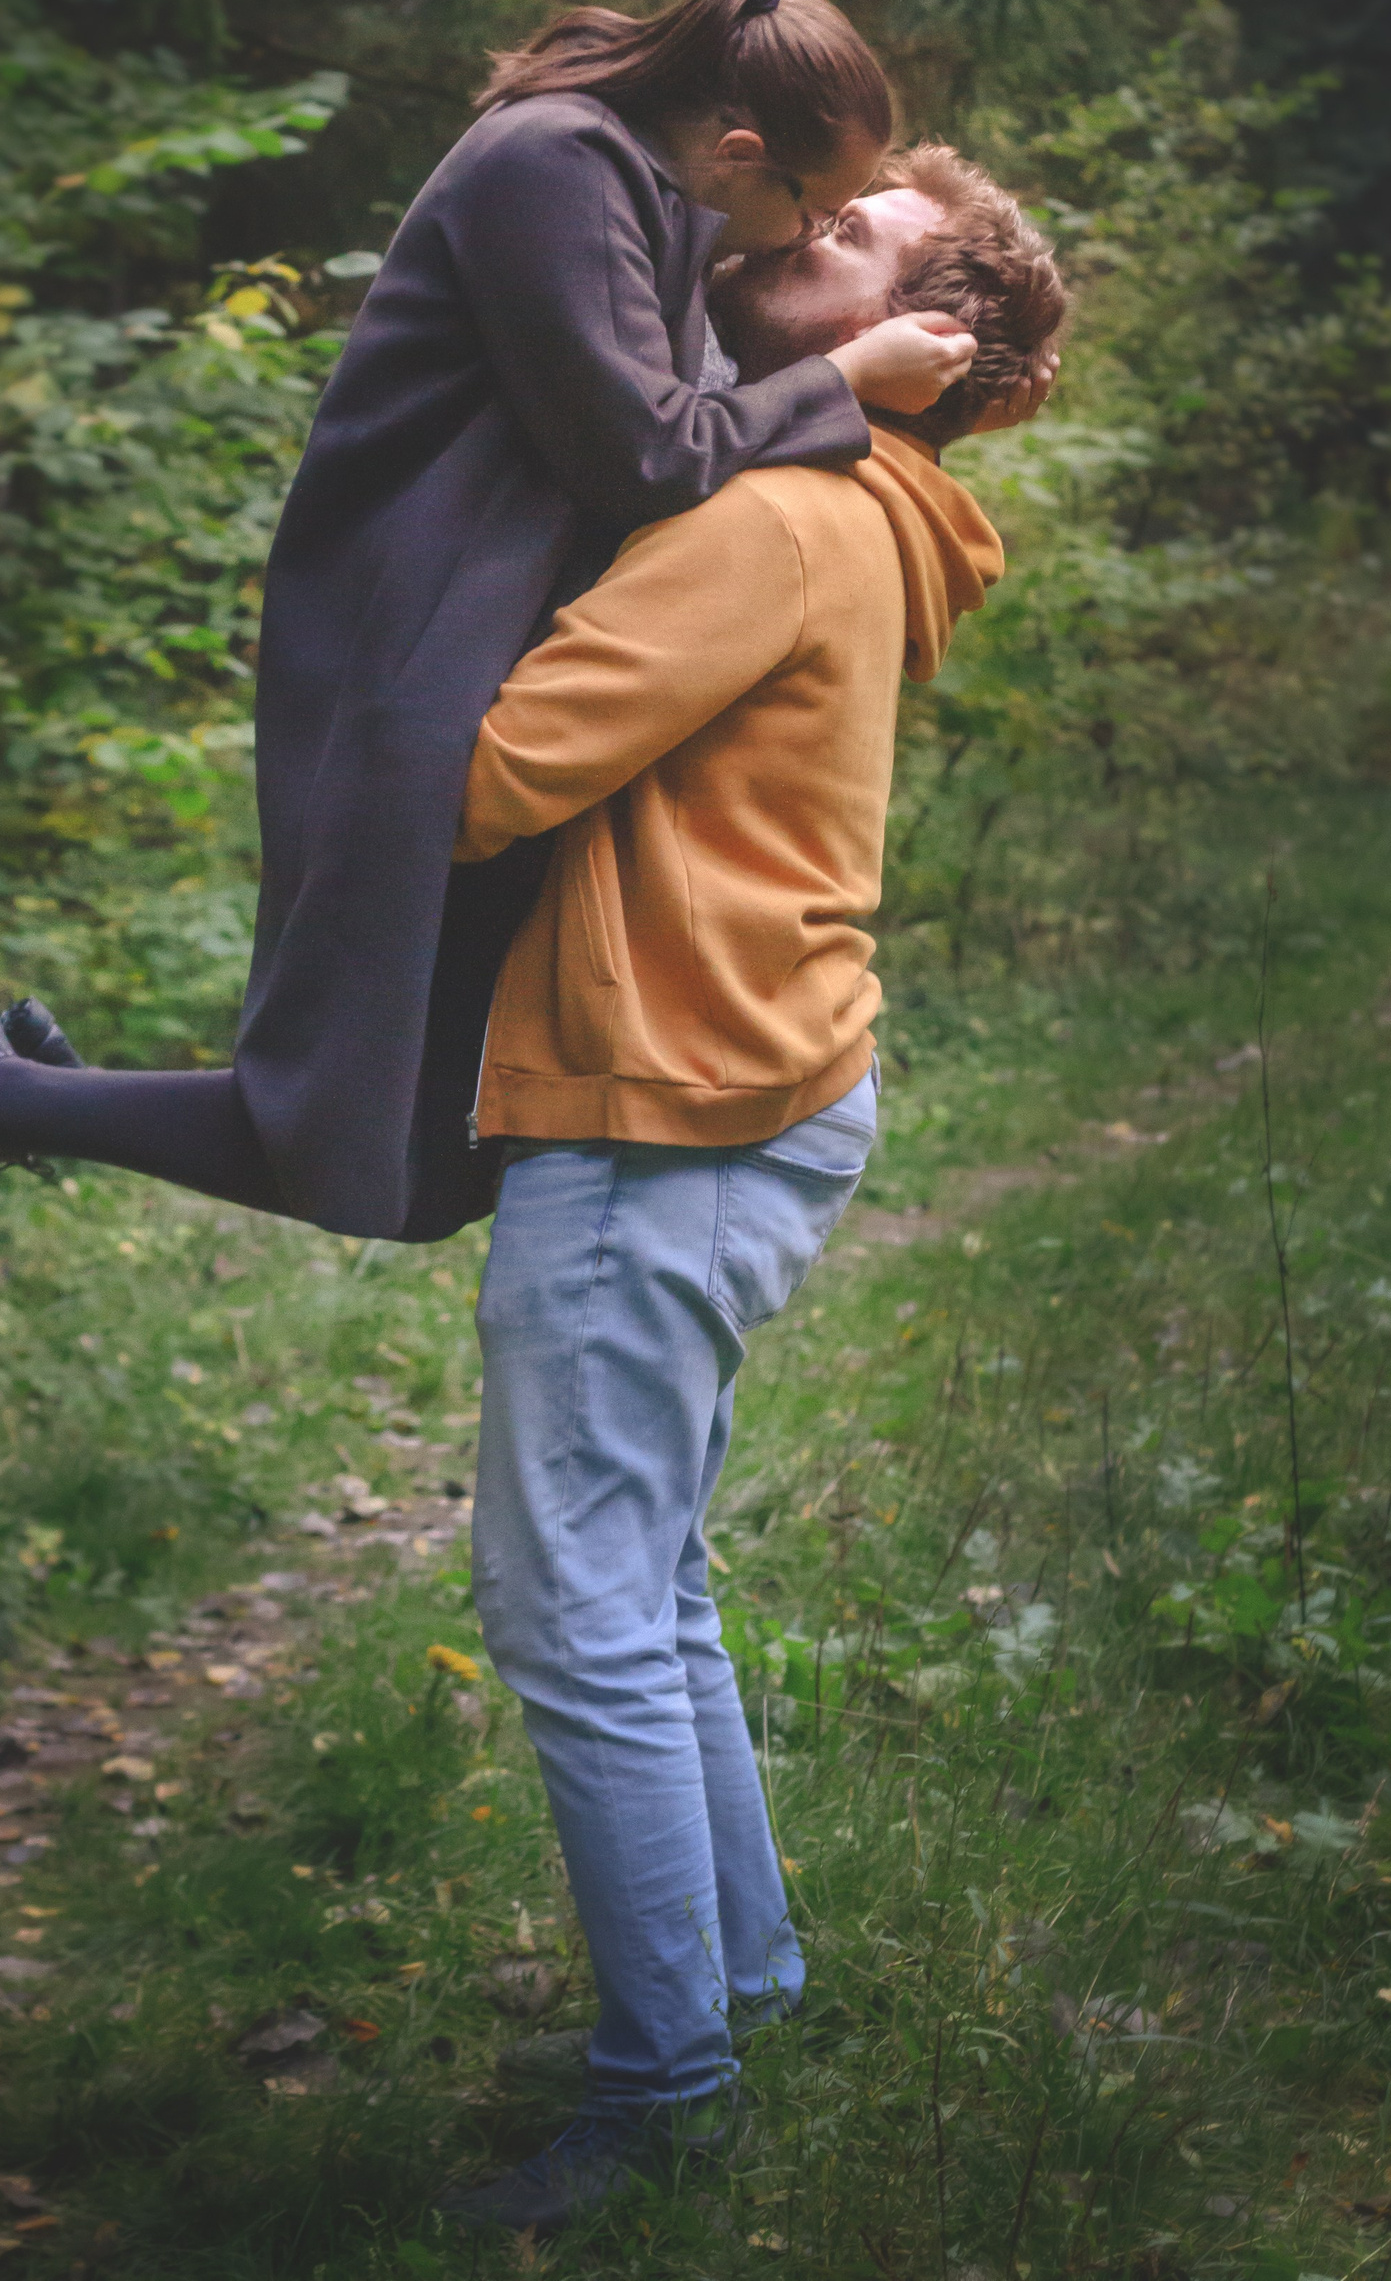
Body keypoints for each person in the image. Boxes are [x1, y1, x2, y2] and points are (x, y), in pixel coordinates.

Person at [0, 0, 1051, 1224]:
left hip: (484, 649)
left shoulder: (654, 203)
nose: (806, 235)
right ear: (737, 151)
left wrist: (974, 385)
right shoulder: (558, 164)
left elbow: (725, 390)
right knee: (375, 1138)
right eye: (820, 211)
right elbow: (655, 449)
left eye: (840, 229)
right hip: (413, 661)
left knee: (425, 1157)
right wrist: (854, 379)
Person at [430, 158, 1066, 2234]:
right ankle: (741, 1985)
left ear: (920, 335)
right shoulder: (869, 511)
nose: (803, 226)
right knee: (652, 1581)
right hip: (749, 1081)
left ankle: (666, 2092)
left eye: (854, 231)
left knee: (574, 1607)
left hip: (668, 1104)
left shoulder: (778, 517)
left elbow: (486, 775)